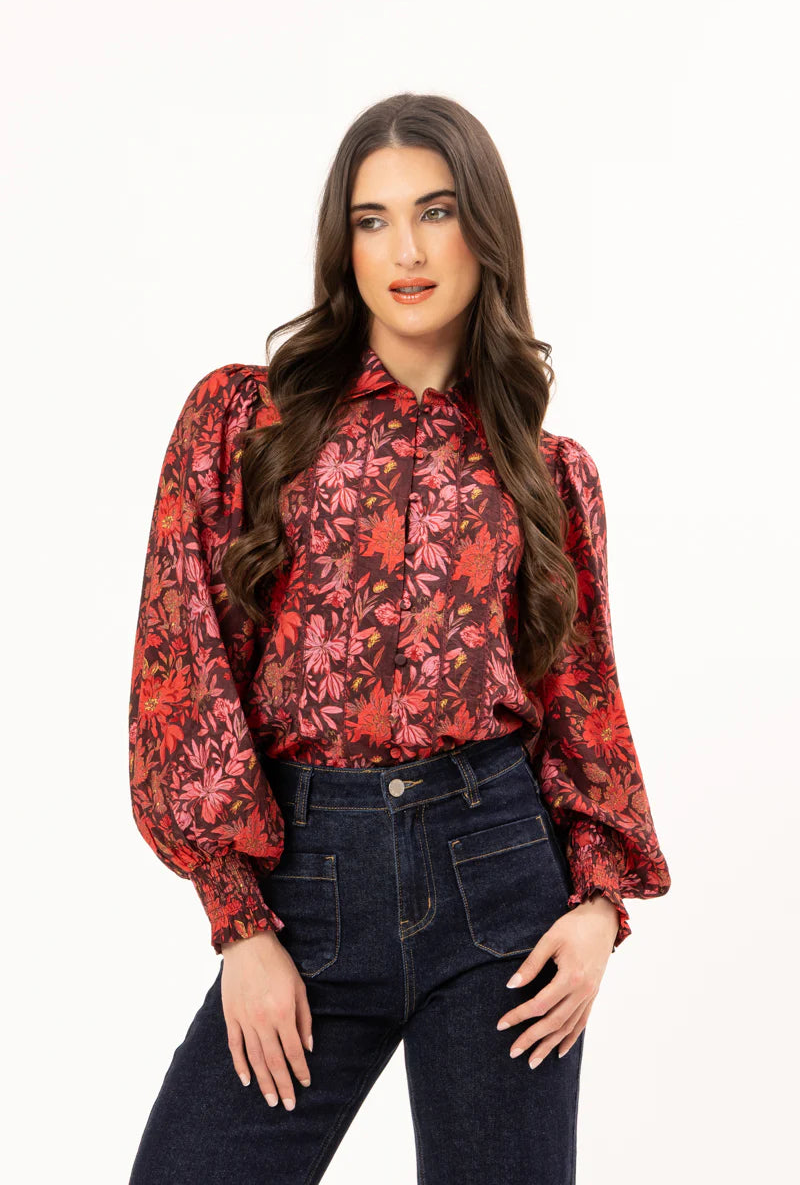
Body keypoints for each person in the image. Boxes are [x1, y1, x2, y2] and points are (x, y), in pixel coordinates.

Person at [127, 92, 671, 1185]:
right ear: (344, 245)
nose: (406, 251)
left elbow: (581, 694)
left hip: (500, 886)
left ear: (484, 230)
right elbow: (183, 661)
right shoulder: (249, 422)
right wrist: (240, 924)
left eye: (435, 211)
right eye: (371, 220)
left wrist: (596, 908)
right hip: (306, 884)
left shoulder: (543, 471)